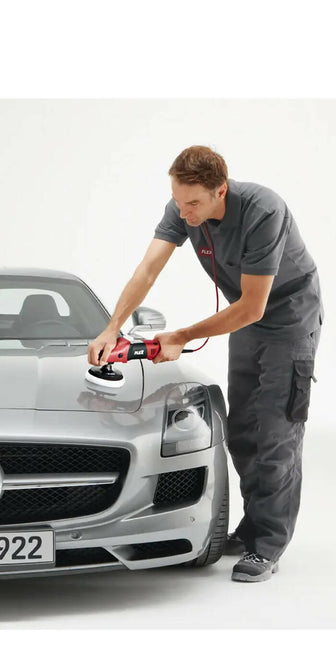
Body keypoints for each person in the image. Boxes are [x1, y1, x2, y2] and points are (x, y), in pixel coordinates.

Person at [88, 145, 323, 582]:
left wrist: (180, 337)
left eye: (193, 203)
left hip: (288, 320)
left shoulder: (263, 211)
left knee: (276, 433)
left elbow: (253, 306)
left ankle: (268, 546)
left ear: (221, 191)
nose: (184, 212)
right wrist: (111, 328)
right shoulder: (183, 207)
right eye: (178, 202)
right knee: (243, 431)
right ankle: (252, 527)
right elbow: (148, 269)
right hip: (246, 321)